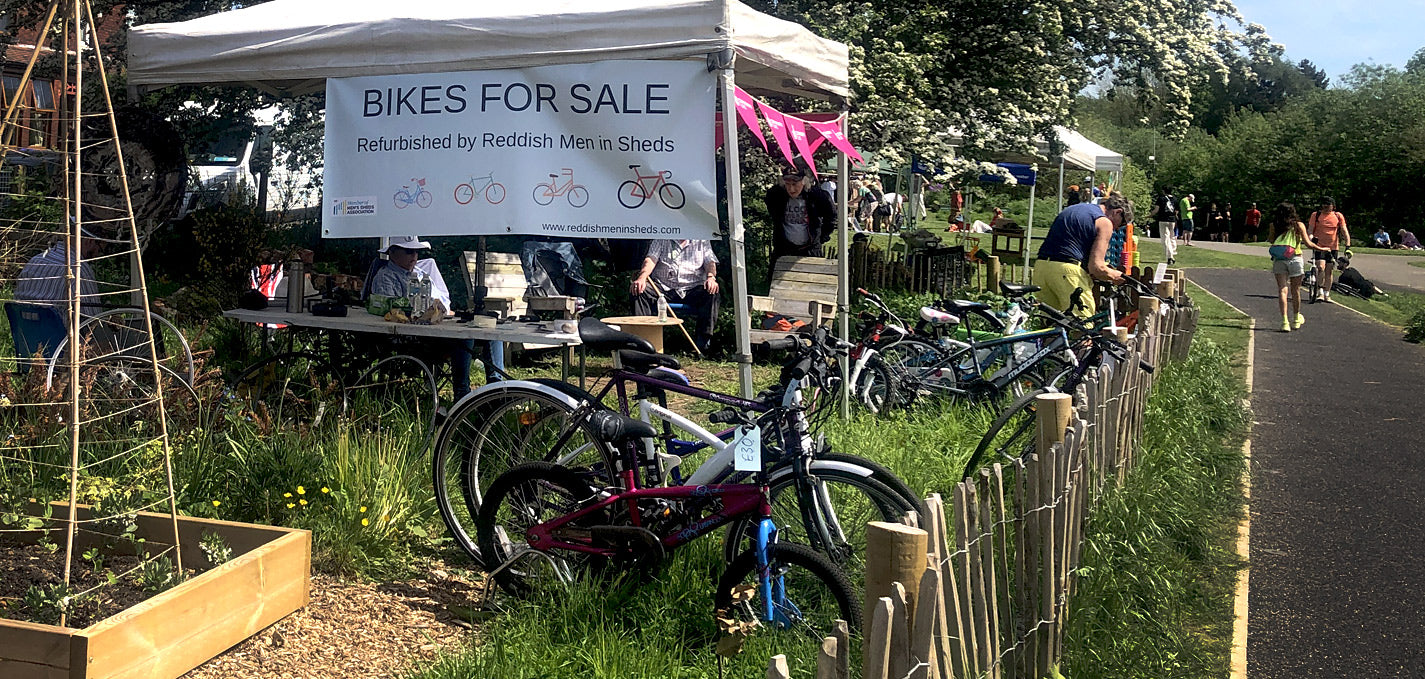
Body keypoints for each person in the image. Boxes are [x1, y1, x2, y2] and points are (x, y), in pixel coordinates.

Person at [367, 236, 488, 398]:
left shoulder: (420, 273)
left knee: (488, 335)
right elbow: (391, 312)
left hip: (431, 328)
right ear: (393, 253)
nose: (414, 256)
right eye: (409, 252)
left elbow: (439, 301)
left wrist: (438, 310)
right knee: (464, 338)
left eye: (416, 252)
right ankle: (462, 394)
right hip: (410, 337)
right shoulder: (386, 277)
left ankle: (498, 390)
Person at [1033, 193, 1129, 317]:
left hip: (1041, 268)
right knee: (1083, 322)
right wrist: (1115, 276)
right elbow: (1097, 267)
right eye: (1122, 224)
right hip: (1067, 272)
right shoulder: (1104, 222)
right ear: (1117, 212)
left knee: (1050, 322)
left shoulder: (1076, 208)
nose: (1117, 229)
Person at [630, 239, 720, 352]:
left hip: (692, 288)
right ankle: (644, 341)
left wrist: (711, 277)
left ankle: (702, 344)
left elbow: (710, 261)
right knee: (639, 290)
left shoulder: (701, 240)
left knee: (712, 292)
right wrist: (642, 277)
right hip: (664, 287)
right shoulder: (662, 237)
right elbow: (651, 259)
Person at [14, 228, 104, 319]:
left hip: (23, 327)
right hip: (56, 328)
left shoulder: (35, 261)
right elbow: (93, 321)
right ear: (89, 241)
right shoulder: (78, 270)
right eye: (99, 250)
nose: (96, 255)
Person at [1267, 203, 1328, 332]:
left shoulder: (1274, 225)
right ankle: (1295, 318)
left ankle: (1284, 322)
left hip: (1279, 259)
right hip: (1295, 258)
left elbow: (1272, 241)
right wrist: (1322, 249)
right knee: (1296, 290)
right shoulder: (1298, 225)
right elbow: (1308, 243)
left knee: (1282, 290)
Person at [766, 166, 835, 274]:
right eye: (787, 184)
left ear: (804, 181)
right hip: (784, 249)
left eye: (795, 184)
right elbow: (772, 210)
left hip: (810, 249)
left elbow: (831, 216)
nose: (791, 189)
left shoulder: (817, 196)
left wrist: (821, 237)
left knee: (811, 280)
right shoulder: (776, 195)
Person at [1307, 196, 1349, 303]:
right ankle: (1320, 292)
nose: (1326, 207)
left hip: (1332, 248)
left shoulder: (1338, 216)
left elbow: (1344, 230)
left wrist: (1347, 244)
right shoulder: (1315, 215)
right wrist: (1311, 238)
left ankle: (1327, 294)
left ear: (1333, 206)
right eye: (1324, 204)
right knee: (1321, 267)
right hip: (1319, 246)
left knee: (1329, 270)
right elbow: (1310, 230)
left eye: (1328, 204)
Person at [1153, 188, 1178, 264]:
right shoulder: (1175, 199)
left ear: (1164, 191)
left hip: (1163, 220)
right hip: (1172, 220)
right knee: (1171, 237)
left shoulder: (1161, 199)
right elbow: (1176, 211)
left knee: (1165, 239)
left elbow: (1156, 210)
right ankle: (1173, 252)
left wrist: (1150, 215)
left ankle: (1170, 257)